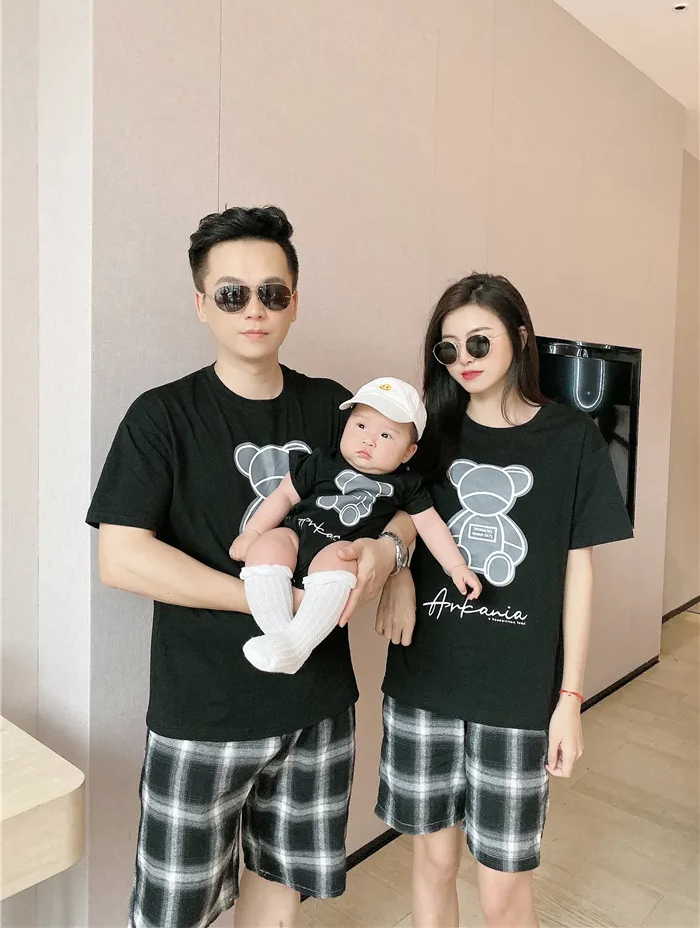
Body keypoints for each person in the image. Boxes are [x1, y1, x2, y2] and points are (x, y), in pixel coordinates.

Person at [86, 205, 415, 928]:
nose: (254, 309)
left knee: (278, 897)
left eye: (272, 292)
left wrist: (392, 558)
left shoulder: (336, 409)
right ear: (201, 304)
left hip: (317, 706)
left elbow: (404, 504)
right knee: (174, 913)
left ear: (295, 301)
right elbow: (122, 557)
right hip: (202, 711)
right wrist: (271, 602)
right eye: (232, 293)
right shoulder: (161, 416)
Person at [374, 273, 633, 928]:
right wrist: (399, 571)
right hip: (425, 680)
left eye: (479, 341)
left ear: (520, 337)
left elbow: (579, 570)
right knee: (433, 865)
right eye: (448, 348)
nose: (463, 359)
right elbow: (398, 516)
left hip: (517, 695)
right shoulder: (429, 434)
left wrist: (570, 698)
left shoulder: (571, 437)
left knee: (503, 891)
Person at [231, 377, 482, 674]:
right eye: (361, 426)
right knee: (267, 546)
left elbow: (429, 524)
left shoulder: (406, 484)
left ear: (408, 452)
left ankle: (296, 645)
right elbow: (284, 495)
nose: (369, 440)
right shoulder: (321, 461)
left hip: (344, 554)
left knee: (338, 557)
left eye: (386, 435)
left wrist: (456, 566)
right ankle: (281, 636)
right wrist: (253, 532)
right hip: (298, 536)